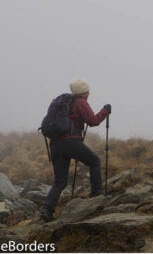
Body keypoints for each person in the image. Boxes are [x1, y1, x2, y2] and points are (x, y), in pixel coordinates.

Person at [40, 78, 111, 221]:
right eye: (87, 91)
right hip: (70, 142)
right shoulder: (80, 102)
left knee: (60, 181)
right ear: (83, 92)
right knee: (95, 161)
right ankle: (97, 196)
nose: (89, 93)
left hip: (55, 144)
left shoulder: (63, 103)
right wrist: (105, 111)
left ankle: (47, 210)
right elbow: (93, 121)